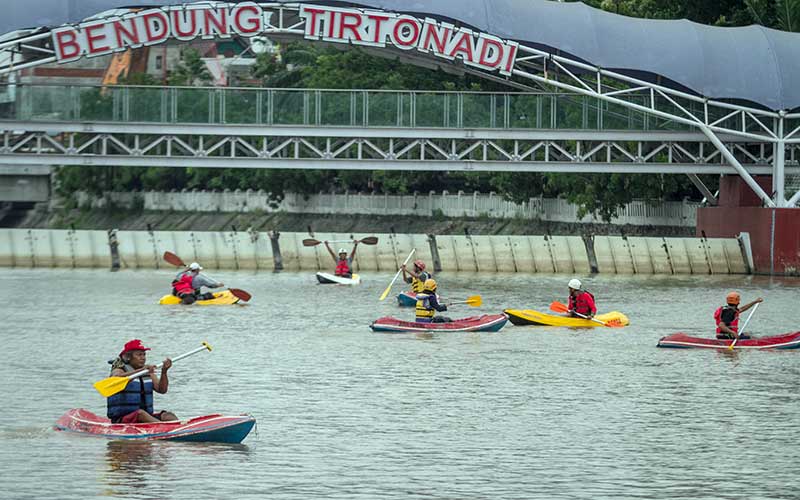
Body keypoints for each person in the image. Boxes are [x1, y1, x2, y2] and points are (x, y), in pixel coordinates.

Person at [106, 339, 177, 424]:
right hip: (123, 419)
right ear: (128, 357)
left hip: (145, 418)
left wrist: (164, 371)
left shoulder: (147, 372)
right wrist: (140, 370)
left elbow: (162, 390)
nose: (143, 358)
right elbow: (116, 378)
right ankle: (164, 429)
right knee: (140, 414)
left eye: (144, 354)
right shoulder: (119, 370)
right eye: (139, 355)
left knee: (168, 415)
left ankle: (180, 427)